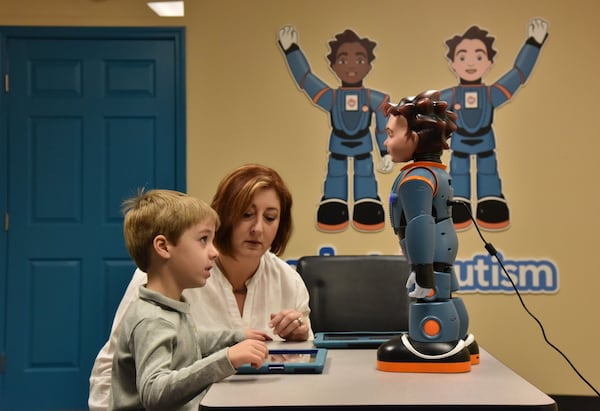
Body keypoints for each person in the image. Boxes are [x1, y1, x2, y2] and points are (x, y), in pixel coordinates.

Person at [89, 164, 313, 410]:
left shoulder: (288, 281)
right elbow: (113, 373)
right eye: (246, 214)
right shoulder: (158, 285)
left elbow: (190, 340)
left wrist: (298, 339)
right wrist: (227, 357)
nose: (258, 228)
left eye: (270, 218)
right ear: (224, 216)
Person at [110, 189, 269, 410]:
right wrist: (226, 359)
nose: (214, 252)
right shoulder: (153, 319)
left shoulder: (167, 308)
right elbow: (154, 392)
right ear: (163, 247)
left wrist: (236, 336)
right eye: (203, 240)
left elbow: (190, 342)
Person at [376, 90, 478, 373]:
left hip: (430, 252)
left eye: (390, 135)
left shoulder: (416, 179)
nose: (386, 142)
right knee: (446, 293)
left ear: (415, 137)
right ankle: (459, 338)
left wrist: (422, 271)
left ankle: (431, 340)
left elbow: (420, 222)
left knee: (430, 295)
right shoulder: (438, 173)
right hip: (442, 248)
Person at [278, 25, 392, 233]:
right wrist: (292, 51)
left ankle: (367, 203)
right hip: (338, 145)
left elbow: (383, 125)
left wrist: (385, 151)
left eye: (359, 60)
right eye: (342, 60)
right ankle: (333, 204)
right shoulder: (331, 97)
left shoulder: (374, 98)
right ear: (333, 65)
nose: (351, 66)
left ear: (368, 66)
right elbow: (306, 79)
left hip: (363, 146)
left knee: (365, 176)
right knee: (336, 176)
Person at [440, 18, 548, 231]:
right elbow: (428, 106)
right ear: (453, 64)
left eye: (478, 56)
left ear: (488, 63)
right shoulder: (450, 95)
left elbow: (518, 75)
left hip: (485, 144)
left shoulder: (491, 94)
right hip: (459, 145)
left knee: (488, 173)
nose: (470, 63)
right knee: (458, 174)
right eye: (463, 57)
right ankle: (458, 204)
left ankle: (490, 201)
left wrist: (533, 45)